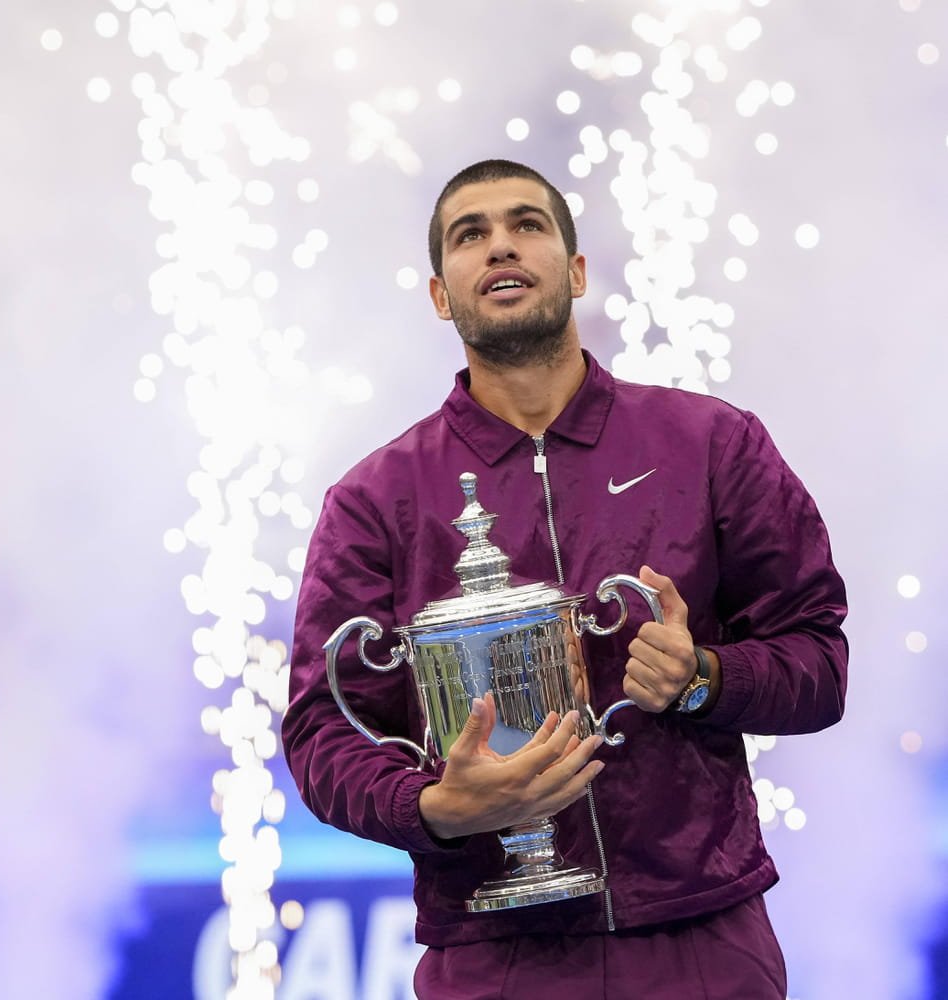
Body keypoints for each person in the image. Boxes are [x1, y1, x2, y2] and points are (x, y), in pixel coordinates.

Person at [281, 159, 847, 998]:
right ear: (442, 294)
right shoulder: (377, 499)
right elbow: (321, 728)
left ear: (575, 272)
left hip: (699, 933)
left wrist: (707, 678)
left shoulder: (710, 444)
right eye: (470, 235)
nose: (500, 246)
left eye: (527, 225)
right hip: (494, 950)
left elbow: (820, 662)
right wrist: (432, 808)